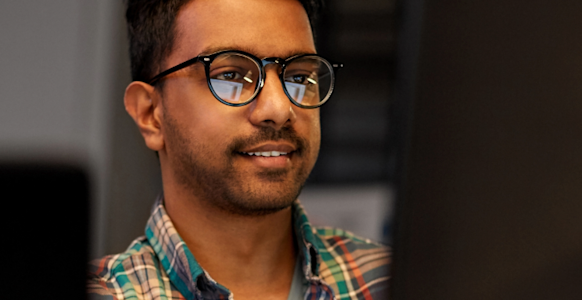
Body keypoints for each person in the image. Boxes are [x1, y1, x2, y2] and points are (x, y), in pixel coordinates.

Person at [87, 0, 391, 299]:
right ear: (150, 114)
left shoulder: (394, 283)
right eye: (231, 75)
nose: (279, 108)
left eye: (299, 77)